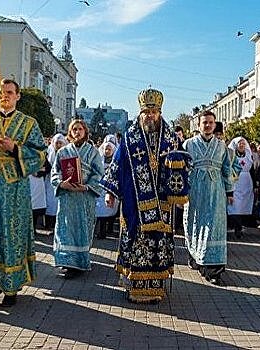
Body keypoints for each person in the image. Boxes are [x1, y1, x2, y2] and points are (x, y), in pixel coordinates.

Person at [101, 88, 189, 304]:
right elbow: (117, 165)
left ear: (160, 113)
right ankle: (135, 287)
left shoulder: (170, 139)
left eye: (153, 112)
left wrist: (179, 194)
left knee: (158, 243)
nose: (149, 115)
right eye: (146, 112)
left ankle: (156, 287)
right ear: (140, 113)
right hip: (134, 203)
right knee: (137, 242)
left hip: (162, 202)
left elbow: (179, 170)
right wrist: (110, 192)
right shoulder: (130, 138)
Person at [0, 78, 46, 307]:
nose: (4, 96)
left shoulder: (28, 124)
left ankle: (11, 289)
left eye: (9, 92)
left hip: (15, 189)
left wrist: (14, 148)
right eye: (1, 93)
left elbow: (40, 156)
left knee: (12, 235)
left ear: (17, 96)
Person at [183, 110, 233, 284]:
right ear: (199, 125)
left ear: (214, 124)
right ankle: (196, 258)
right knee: (195, 223)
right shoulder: (188, 144)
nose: (208, 125)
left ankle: (214, 270)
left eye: (211, 122)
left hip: (216, 192)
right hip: (195, 191)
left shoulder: (221, 146)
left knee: (214, 227)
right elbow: (181, 170)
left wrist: (230, 192)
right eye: (205, 122)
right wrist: (181, 193)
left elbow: (227, 169)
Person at [51, 119, 104, 279]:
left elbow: (99, 174)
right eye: (74, 129)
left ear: (85, 131)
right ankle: (66, 261)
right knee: (65, 228)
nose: (77, 132)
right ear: (70, 132)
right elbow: (55, 171)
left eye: (80, 129)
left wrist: (87, 187)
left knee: (82, 228)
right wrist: (61, 183)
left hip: (84, 197)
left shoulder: (93, 152)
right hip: (67, 198)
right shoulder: (63, 152)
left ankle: (80, 262)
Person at [227, 136, 255, 238]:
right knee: (235, 206)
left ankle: (241, 226)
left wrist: (255, 183)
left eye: (243, 143)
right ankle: (237, 228)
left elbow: (252, 170)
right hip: (235, 181)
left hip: (247, 182)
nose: (242, 145)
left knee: (244, 206)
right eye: (240, 143)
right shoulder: (231, 154)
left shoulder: (248, 155)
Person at [95, 140, 119, 239]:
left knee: (108, 212)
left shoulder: (115, 162)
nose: (107, 151)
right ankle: (100, 232)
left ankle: (107, 231)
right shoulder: (98, 160)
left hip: (110, 190)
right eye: (106, 149)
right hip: (99, 189)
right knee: (100, 212)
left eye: (109, 149)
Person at [45, 133, 68, 231]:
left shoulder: (66, 153)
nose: (58, 145)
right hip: (49, 181)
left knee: (58, 203)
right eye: (57, 143)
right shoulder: (49, 152)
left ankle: (56, 224)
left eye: (60, 143)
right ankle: (47, 223)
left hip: (61, 181)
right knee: (49, 201)